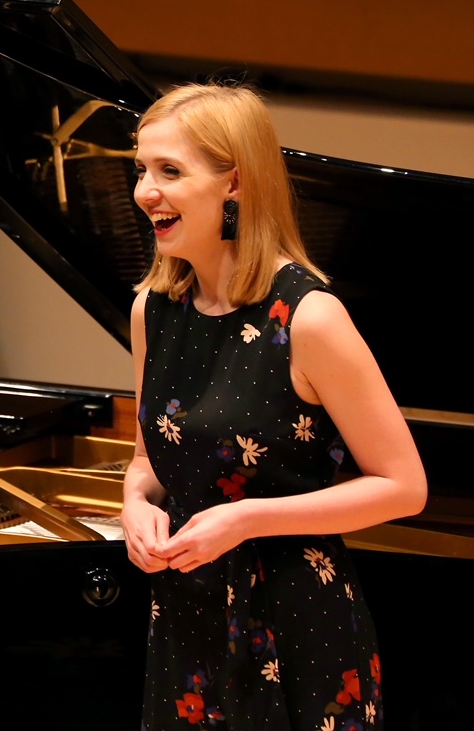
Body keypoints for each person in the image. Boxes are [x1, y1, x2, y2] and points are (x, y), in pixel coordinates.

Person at [120, 83, 427, 729]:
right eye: (142, 168)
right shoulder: (153, 309)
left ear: (234, 182)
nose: (146, 190)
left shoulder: (310, 318)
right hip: (188, 614)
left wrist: (248, 519)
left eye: (170, 171)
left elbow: (405, 487)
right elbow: (149, 456)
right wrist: (135, 503)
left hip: (299, 621)